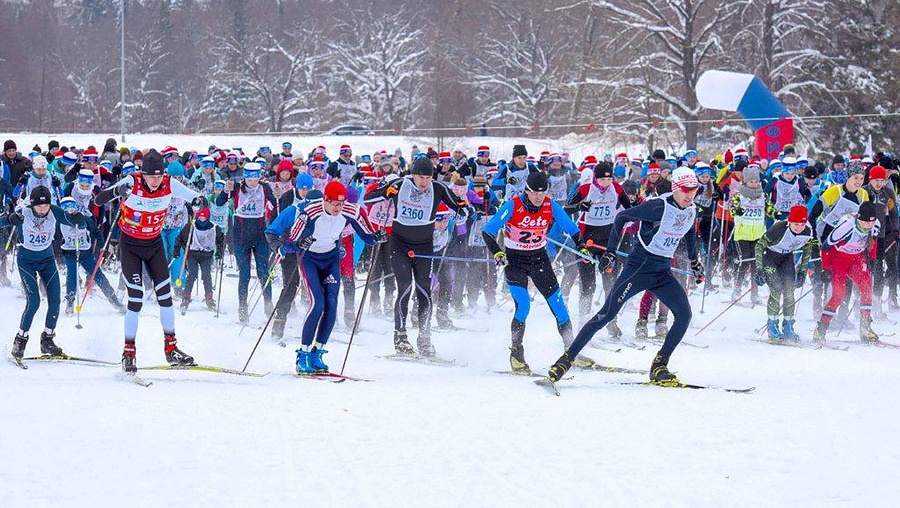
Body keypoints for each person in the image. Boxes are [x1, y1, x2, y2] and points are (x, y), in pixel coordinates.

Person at [546, 167, 705, 383]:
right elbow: (622, 217)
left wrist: (694, 261)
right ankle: (566, 359)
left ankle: (659, 366)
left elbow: (689, 233)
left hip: (661, 271)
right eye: (686, 189)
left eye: (694, 190)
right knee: (606, 314)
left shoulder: (691, 210)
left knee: (684, 315)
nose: (690, 194)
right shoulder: (658, 207)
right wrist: (611, 252)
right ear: (676, 188)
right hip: (639, 268)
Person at [95, 149, 206, 373]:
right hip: (131, 246)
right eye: (151, 176)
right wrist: (117, 191)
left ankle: (171, 348)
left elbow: (196, 198)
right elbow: (99, 199)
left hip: (154, 245)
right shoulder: (132, 181)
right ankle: (129, 352)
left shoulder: (169, 183)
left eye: (159, 176)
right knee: (136, 299)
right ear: (143, 174)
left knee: (165, 297)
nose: (155, 181)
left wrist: (199, 202)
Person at [482, 171, 593, 373]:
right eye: (535, 193)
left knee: (559, 305)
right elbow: (488, 230)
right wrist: (497, 252)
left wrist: (582, 246)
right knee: (524, 305)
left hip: (539, 259)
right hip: (515, 261)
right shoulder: (513, 205)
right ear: (527, 190)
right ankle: (516, 355)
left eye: (543, 193)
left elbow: (572, 228)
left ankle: (572, 351)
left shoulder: (551, 205)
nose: (539, 197)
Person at [267, 181, 383, 373]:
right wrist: (299, 244)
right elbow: (289, 243)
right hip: (310, 259)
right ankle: (303, 355)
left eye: (341, 203)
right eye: (334, 204)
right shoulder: (310, 213)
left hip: (331, 259)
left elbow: (368, 236)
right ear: (325, 200)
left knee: (331, 305)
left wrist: (377, 237)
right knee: (317, 303)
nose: (338, 208)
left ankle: (317, 353)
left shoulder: (351, 211)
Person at [364, 157, 468, 357]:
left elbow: (460, 208)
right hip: (399, 246)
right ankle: (400, 337)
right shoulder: (400, 184)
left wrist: (463, 205)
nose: (424, 182)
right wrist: (385, 192)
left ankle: (424, 337)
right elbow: (368, 198)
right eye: (421, 177)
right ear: (413, 175)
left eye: (428, 178)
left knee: (424, 291)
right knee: (405, 287)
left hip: (424, 248)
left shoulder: (438, 188)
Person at [5, 187, 83, 362]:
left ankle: (47, 339)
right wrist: (11, 218)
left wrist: (79, 219)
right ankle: (20, 340)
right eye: (39, 206)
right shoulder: (24, 212)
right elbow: (6, 220)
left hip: (47, 260)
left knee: (55, 300)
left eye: (46, 205)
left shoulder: (54, 211)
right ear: (32, 205)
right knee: (33, 302)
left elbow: (76, 222)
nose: (43, 209)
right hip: (26, 261)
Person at [216, 162, 278, 322]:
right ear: (245, 178)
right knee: (245, 275)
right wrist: (225, 191)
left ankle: (268, 304)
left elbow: (277, 206)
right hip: (241, 238)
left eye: (255, 179)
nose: (253, 183)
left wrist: (278, 196)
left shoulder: (265, 188)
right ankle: (242, 307)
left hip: (260, 237)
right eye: (250, 180)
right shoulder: (236, 187)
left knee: (264, 273)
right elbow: (219, 202)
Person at [813, 201, 880, 343]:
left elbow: (873, 242)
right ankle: (821, 329)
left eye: (871, 222)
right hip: (838, 260)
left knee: (866, 287)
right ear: (858, 218)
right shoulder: (847, 227)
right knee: (839, 295)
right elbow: (825, 247)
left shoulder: (875, 225)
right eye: (865, 222)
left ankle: (865, 327)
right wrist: (825, 269)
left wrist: (872, 259)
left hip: (856, 259)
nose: (868, 225)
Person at [56, 196, 125, 316]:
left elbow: (96, 232)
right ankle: (70, 303)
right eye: (66, 208)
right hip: (70, 253)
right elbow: (56, 238)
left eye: (72, 207)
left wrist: (102, 245)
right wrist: (58, 255)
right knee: (71, 277)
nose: (70, 211)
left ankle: (114, 301)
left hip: (85, 253)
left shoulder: (85, 219)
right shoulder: (60, 223)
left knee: (98, 276)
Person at [754, 206, 814, 340]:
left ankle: (788, 326)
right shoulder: (779, 228)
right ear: (789, 221)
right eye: (796, 224)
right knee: (776, 289)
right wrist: (759, 269)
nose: (799, 228)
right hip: (770, 258)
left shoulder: (807, 232)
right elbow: (759, 245)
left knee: (789, 291)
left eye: (802, 224)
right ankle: (772, 325)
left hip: (786, 259)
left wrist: (802, 272)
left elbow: (807, 251)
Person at [175, 207, 224, 314]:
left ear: (208, 217)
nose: (201, 220)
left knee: (206, 275)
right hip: (193, 254)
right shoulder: (190, 226)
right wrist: (177, 250)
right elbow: (180, 238)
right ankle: (186, 298)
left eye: (204, 218)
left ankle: (209, 298)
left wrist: (220, 252)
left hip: (207, 255)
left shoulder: (214, 228)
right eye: (200, 218)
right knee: (192, 275)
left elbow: (221, 240)